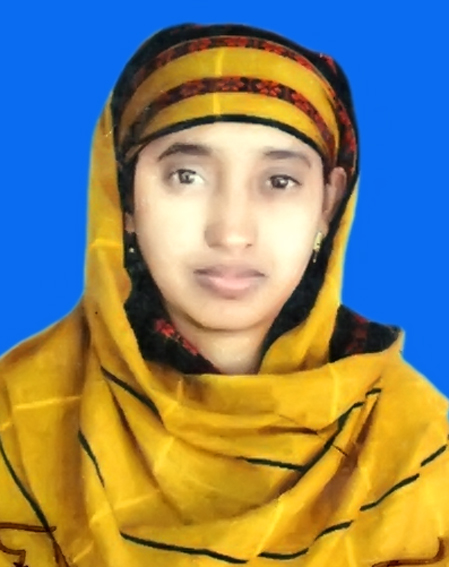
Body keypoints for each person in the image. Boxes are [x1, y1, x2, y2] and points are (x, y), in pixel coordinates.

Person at [0, 22, 448, 567]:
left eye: (279, 181)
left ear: (328, 203)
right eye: (187, 176)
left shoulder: (415, 443)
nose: (232, 232)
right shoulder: (19, 416)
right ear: (125, 194)